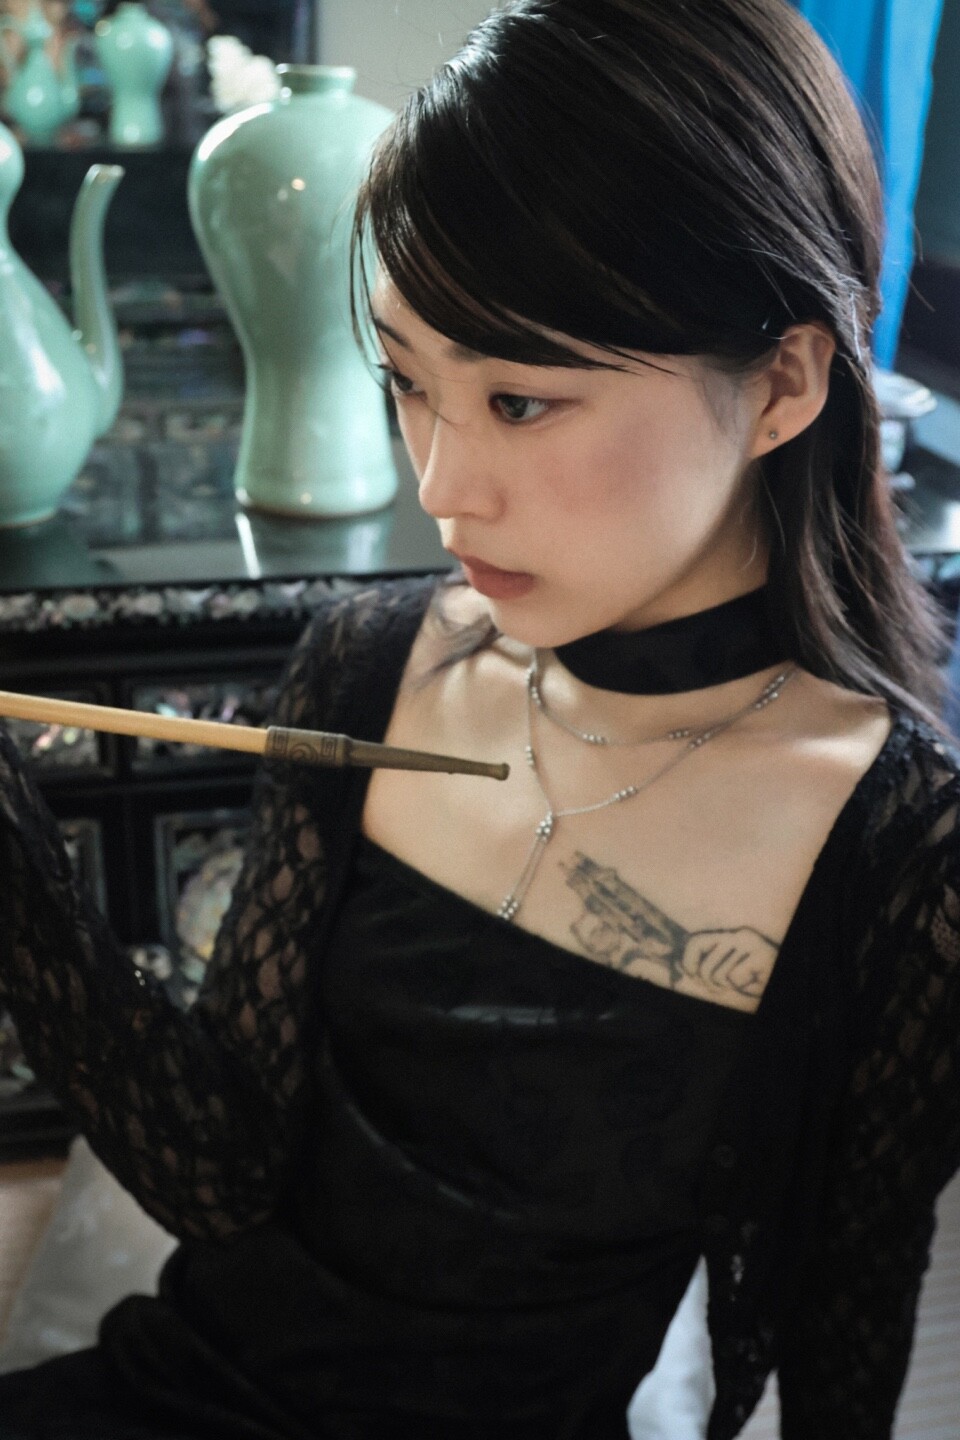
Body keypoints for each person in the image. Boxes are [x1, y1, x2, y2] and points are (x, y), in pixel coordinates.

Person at [0, 1, 958, 1436]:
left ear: (782, 384)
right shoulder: (370, 662)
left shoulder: (898, 850)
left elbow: (841, 1344)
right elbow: (217, 1175)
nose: (441, 487)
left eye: (518, 400)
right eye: (407, 381)